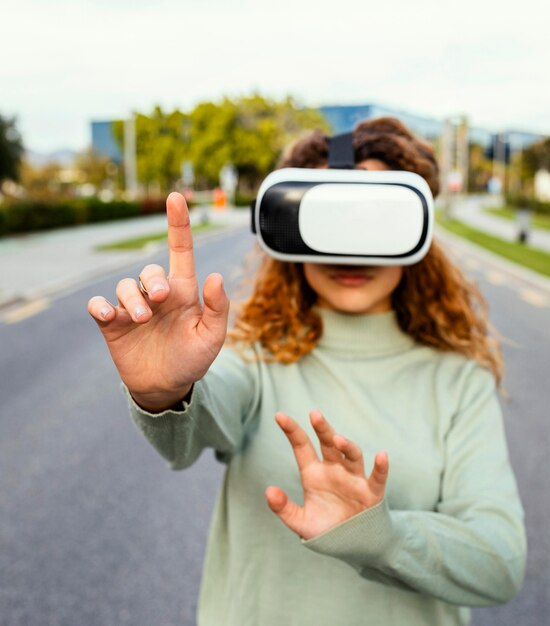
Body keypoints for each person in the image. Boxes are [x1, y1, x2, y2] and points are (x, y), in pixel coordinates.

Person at [87, 117, 526, 626]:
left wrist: (380, 536)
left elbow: (500, 563)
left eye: (374, 219)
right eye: (327, 220)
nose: (349, 249)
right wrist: (165, 390)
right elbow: (190, 431)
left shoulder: (457, 380)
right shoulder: (255, 356)